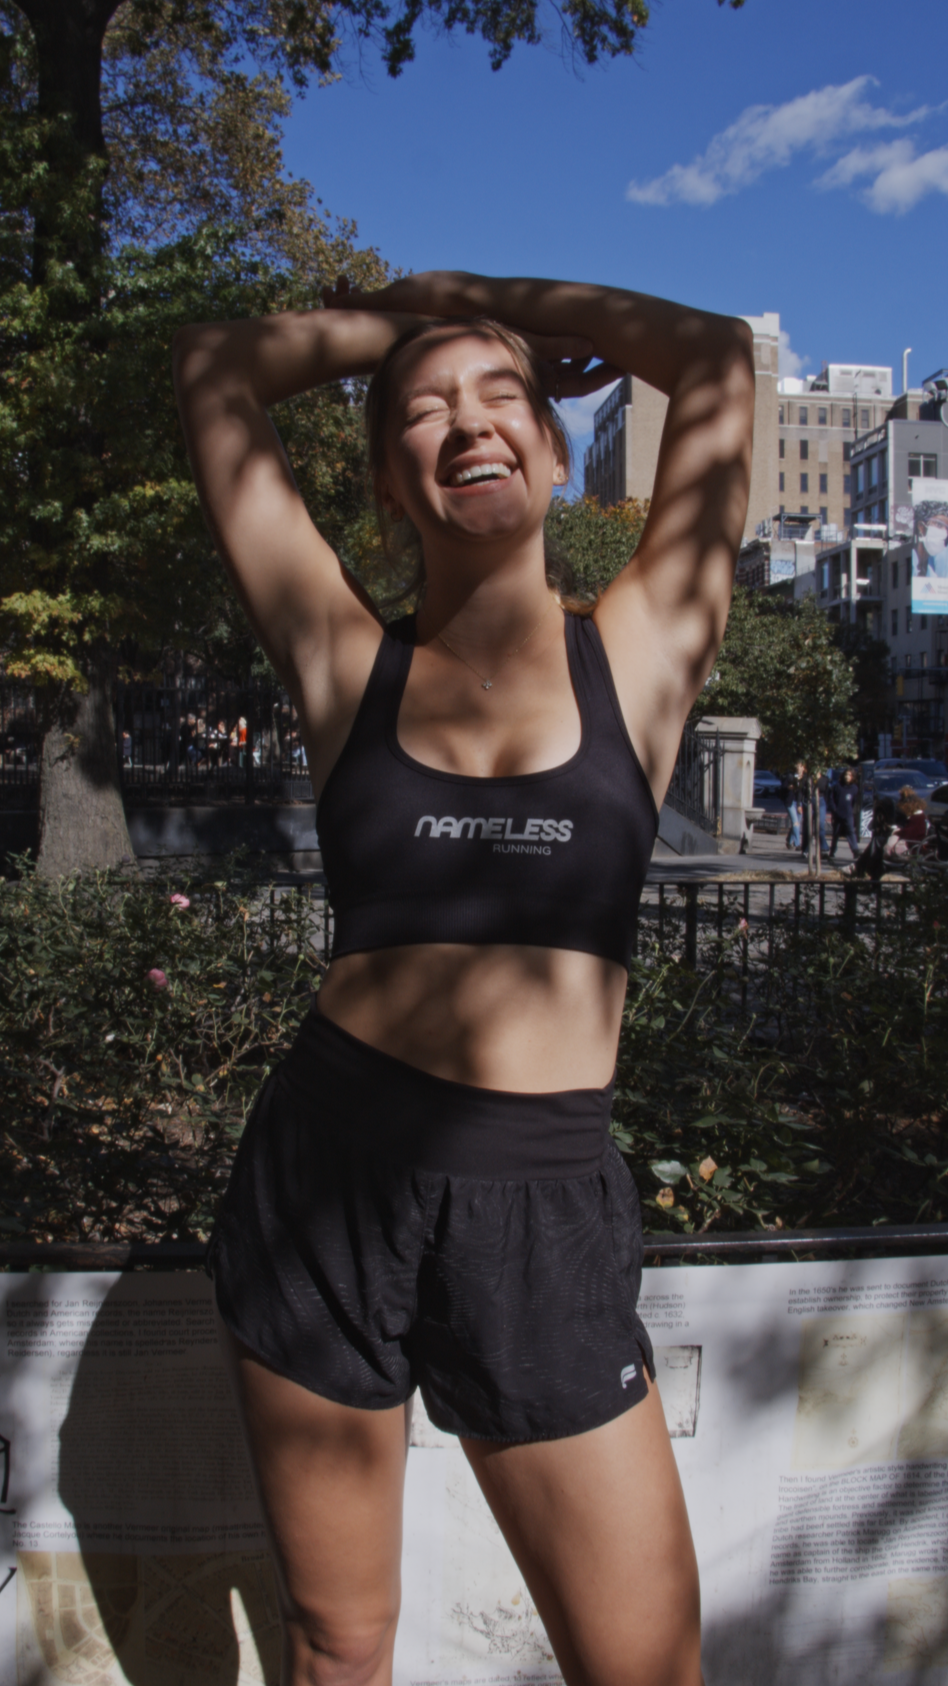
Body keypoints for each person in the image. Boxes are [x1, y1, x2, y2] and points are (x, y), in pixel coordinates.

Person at [174, 268, 755, 1686]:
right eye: (424, 416)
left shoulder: (642, 648)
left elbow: (717, 360)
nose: (469, 423)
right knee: (337, 1640)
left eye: (503, 400)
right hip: (329, 1176)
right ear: (387, 482)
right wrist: (416, 332)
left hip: (540, 1204)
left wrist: (481, 307)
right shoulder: (341, 656)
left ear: (559, 448)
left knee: (644, 1667)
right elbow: (216, 372)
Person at [828, 768, 861, 859]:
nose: (847, 777)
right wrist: (834, 810)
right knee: (836, 834)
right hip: (838, 814)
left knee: (850, 832)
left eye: (849, 775)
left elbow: (853, 802)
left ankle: (855, 850)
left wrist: (851, 811)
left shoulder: (854, 788)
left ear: (852, 777)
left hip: (848, 814)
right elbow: (831, 799)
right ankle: (832, 851)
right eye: (846, 775)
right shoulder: (837, 786)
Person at [781, 763, 803, 850]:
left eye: (800, 766)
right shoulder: (790, 776)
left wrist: (799, 805)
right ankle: (797, 844)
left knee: (797, 823)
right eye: (797, 766)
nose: (798, 767)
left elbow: (801, 792)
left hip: (799, 802)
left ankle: (789, 841)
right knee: (795, 822)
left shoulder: (804, 778)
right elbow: (783, 787)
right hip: (790, 802)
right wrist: (789, 787)